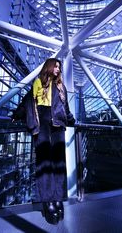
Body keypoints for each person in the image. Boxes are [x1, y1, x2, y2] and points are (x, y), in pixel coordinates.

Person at [32, 58, 75, 224]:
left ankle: (57, 198)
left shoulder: (61, 86)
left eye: (59, 67)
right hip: (42, 125)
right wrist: (17, 114)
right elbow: (31, 103)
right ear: (48, 67)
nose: (58, 69)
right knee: (44, 163)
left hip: (58, 125)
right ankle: (47, 201)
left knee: (58, 163)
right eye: (55, 66)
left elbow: (66, 109)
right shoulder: (38, 82)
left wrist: (71, 120)